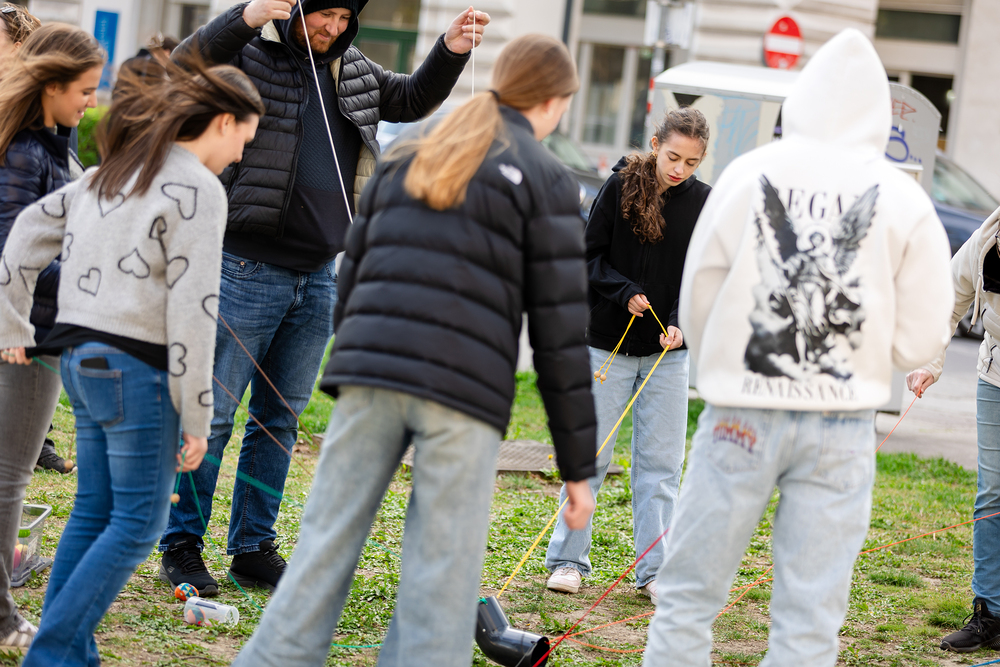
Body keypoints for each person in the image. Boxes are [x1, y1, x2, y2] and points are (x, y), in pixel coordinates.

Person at [231, 33, 596, 667]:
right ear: (554, 102)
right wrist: (577, 465)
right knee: (440, 579)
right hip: (463, 392)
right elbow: (560, 336)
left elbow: (355, 266)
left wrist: (358, 350)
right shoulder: (548, 182)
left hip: (370, 374)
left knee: (322, 549)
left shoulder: (412, 153)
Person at [157, 0, 491, 596]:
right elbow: (184, 64)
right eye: (324, 15)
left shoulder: (353, 69)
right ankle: (181, 544)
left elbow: (410, 98)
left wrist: (450, 49)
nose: (333, 29)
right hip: (243, 267)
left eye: (344, 19)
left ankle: (252, 546)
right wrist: (247, 14)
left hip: (317, 277)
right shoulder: (248, 55)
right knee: (216, 415)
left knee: (279, 420)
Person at [642, 29, 954, 667]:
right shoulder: (902, 195)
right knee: (810, 622)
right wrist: (869, 351)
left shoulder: (748, 174)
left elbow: (699, 293)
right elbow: (924, 332)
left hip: (741, 410)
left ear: (803, 98)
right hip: (841, 419)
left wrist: (727, 357)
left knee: (686, 599)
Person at [0, 55, 264, 666]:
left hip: (78, 361)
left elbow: (24, 233)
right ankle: (52, 654)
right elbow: (195, 310)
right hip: (137, 369)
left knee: (94, 510)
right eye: (245, 139)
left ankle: (71, 655)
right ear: (224, 121)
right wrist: (198, 416)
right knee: (141, 523)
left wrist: (12, 321)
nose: (240, 156)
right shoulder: (198, 189)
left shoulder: (112, 170)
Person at [544, 107, 711, 603]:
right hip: (606, 345)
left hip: (667, 355)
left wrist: (680, 322)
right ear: (656, 144)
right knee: (590, 456)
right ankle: (568, 561)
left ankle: (655, 571)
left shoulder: (704, 202)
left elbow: (701, 276)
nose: (679, 169)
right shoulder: (619, 187)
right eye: (673, 156)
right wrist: (623, 292)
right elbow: (587, 256)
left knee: (661, 466)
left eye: (692, 162)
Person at [0, 22, 103, 654]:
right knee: (10, 475)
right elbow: (14, 252)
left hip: (37, 326)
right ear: (51, 85)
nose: (92, 100)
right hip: (26, 334)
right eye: (85, 89)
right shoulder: (24, 151)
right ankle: (1, 615)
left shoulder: (48, 143)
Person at [906, 205, 1000, 653]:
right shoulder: (987, 238)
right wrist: (930, 362)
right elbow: (947, 299)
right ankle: (990, 614)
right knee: (993, 494)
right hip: (995, 377)